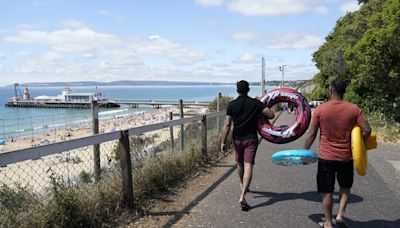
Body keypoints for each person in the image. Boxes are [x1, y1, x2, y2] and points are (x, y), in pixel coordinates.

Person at [303, 79, 371, 228]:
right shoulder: (354, 109)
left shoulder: (321, 109)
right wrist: (359, 146)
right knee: (345, 187)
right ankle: (340, 215)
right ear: (343, 92)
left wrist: (304, 152)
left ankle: (328, 223)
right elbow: (367, 130)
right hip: (346, 157)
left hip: (326, 157)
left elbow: (311, 134)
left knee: (327, 191)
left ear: (330, 91)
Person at [221, 80, 274, 211]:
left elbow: (227, 124)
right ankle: (243, 194)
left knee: (239, 163)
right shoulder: (255, 103)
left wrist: (223, 141)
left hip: (237, 138)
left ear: (237, 90)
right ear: (248, 90)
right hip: (251, 138)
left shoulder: (232, 105)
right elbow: (271, 115)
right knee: (248, 165)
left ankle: (242, 184)